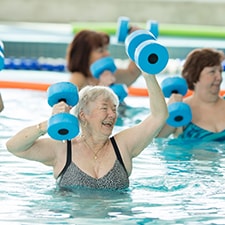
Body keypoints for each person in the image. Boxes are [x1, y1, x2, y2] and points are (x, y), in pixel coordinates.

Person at [6, 73, 168, 190]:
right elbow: (15, 147)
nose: (112, 115)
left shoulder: (123, 145)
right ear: (83, 115)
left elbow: (159, 116)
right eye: (104, 108)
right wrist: (47, 125)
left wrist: (148, 74)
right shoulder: (63, 150)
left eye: (114, 109)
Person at [157, 48, 225, 141]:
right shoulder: (179, 110)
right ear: (195, 75)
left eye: (220, 71)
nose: (219, 77)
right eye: (212, 72)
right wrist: (169, 110)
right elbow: (155, 139)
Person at [66, 29, 142, 91]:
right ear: (84, 55)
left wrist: (138, 40)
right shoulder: (78, 78)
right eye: (100, 50)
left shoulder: (107, 74)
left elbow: (132, 73)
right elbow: (73, 107)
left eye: (106, 49)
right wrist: (102, 86)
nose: (107, 54)